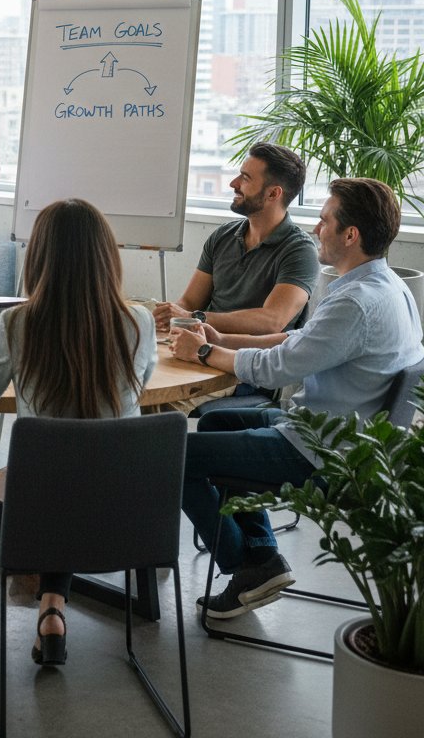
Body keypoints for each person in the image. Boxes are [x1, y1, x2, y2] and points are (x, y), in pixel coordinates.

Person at [171, 177, 423, 619]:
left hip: (320, 453)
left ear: (351, 235)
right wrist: (223, 336)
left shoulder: (355, 304)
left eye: (324, 221)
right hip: (329, 433)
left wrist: (207, 352)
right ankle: (264, 552)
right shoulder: (385, 286)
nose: (314, 229)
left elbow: (279, 368)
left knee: (174, 455)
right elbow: (300, 340)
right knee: (217, 421)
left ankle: (246, 565)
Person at [0, 198, 157, 667]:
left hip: (41, 513)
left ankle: (45, 602)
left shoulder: (15, 323)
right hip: (125, 512)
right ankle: (53, 606)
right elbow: (139, 387)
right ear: (106, 257)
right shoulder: (141, 322)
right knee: (78, 473)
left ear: (39, 258)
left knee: (12, 481)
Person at [154, 142, 320, 414]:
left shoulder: (300, 251)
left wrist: (198, 317)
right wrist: (169, 317)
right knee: (122, 388)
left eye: (245, 178)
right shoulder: (222, 236)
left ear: (273, 193)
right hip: (199, 351)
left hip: (242, 367)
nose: (233, 183)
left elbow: (272, 321)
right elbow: (189, 301)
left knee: (157, 407)